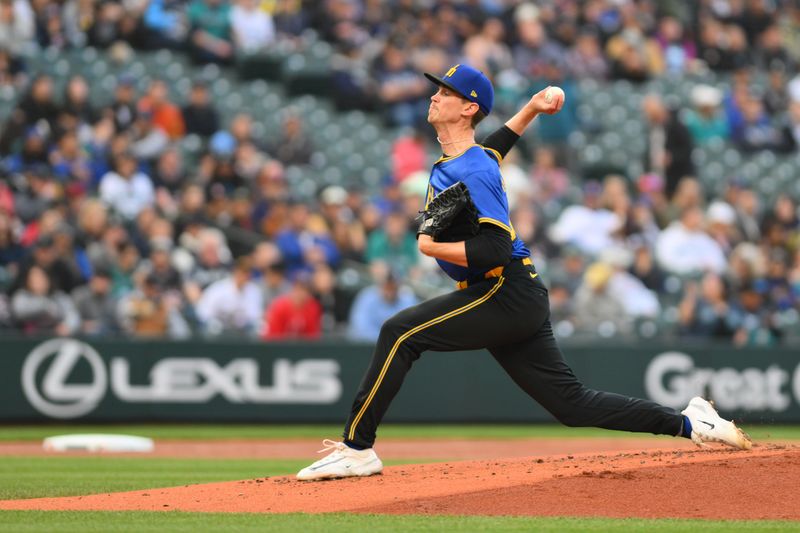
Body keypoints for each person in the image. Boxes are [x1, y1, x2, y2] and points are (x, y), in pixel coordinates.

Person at [297, 64, 752, 482]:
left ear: (469, 107)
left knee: (400, 332)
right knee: (570, 404)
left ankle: (358, 448)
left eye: (446, 91)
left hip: (502, 289)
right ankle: (691, 422)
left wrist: (433, 245)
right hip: (518, 294)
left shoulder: (473, 169)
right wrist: (530, 109)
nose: (435, 96)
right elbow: (493, 149)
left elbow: (494, 246)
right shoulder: (473, 160)